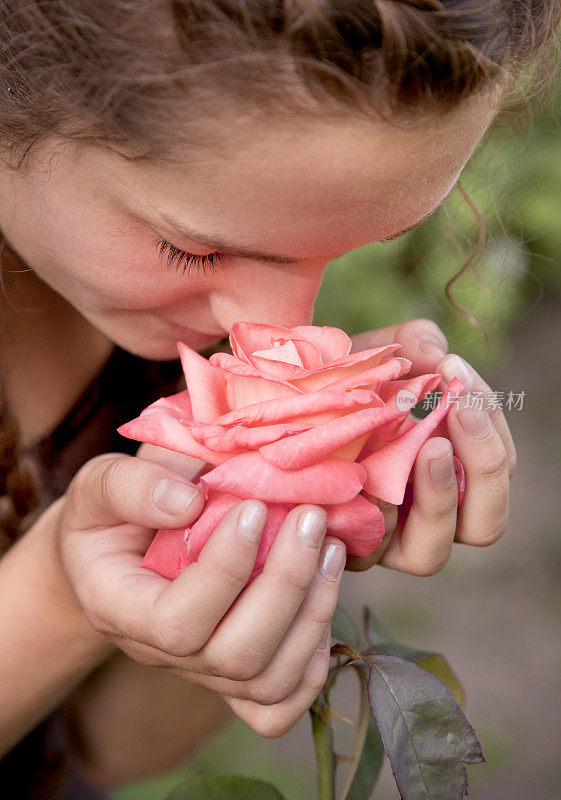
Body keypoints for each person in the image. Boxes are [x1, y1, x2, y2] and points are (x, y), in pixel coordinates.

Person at [0, 1, 557, 797]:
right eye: (194, 248)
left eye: (365, 242)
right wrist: (59, 589)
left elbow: (108, 754)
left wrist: (254, 557)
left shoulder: (157, 324)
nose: (278, 331)